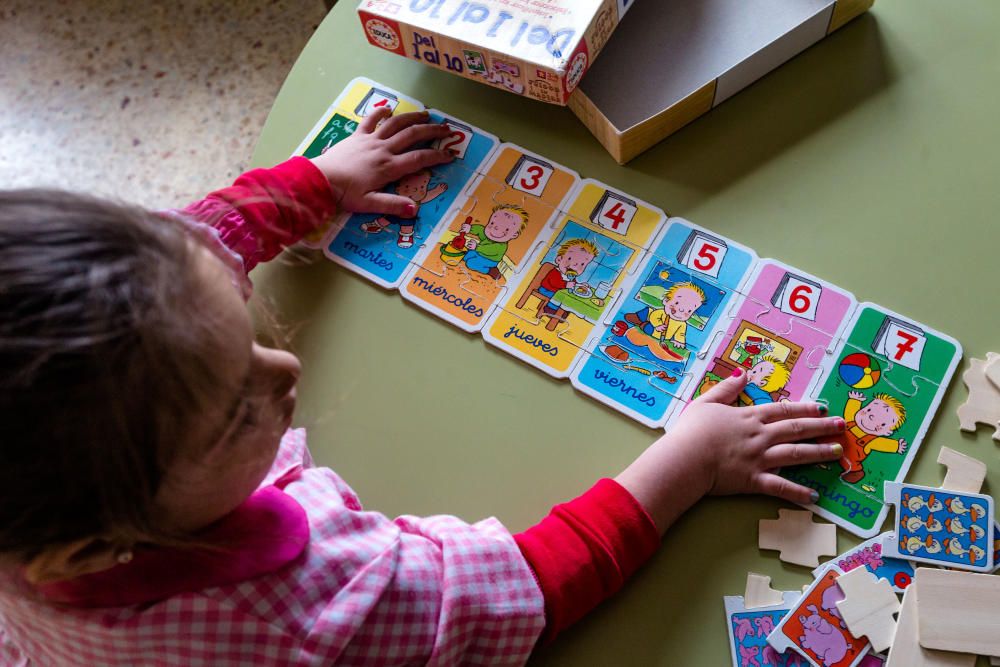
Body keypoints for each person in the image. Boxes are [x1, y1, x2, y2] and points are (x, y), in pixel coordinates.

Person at [0, 107, 846, 665]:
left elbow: (188, 242)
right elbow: (525, 590)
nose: (286, 370)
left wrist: (318, 183)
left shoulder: (46, 476)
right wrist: (689, 461)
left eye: (243, 328)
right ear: (89, 546)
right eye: (232, 414)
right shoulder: (304, 609)